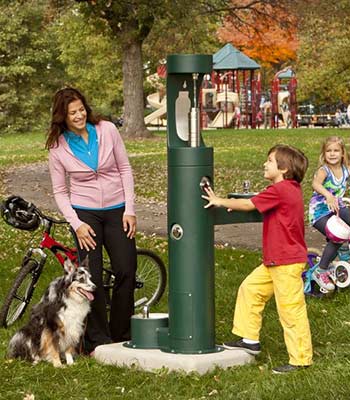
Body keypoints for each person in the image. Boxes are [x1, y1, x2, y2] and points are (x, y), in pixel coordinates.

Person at [202, 144, 312, 374]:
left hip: (286, 262)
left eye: (269, 161)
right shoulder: (287, 189)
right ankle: (249, 339)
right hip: (275, 260)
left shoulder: (281, 190)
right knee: (250, 290)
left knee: (291, 311)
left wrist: (221, 200)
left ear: (283, 168)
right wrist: (238, 205)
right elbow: (256, 201)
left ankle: (301, 358)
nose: (265, 163)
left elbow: (249, 203)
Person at [46, 87, 137, 354]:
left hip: (118, 210)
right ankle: (98, 340)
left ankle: (122, 333)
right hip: (85, 215)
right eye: (72, 112)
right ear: (62, 116)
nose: (78, 115)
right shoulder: (57, 147)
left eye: (81, 109)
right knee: (91, 277)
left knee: (126, 269)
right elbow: (60, 192)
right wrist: (77, 223)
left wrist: (130, 209)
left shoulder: (107, 130)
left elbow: (125, 169)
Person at [309, 136, 350, 291]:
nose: (332, 154)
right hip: (320, 212)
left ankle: (344, 250)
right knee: (338, 236)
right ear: (324, 154)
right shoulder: (323, 170)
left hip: (337, 209)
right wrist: (328, 195)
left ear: (342, 153)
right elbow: (315, 184)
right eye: (329, 151)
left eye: (336, 151)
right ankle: (321, 269)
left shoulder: (346, 169)